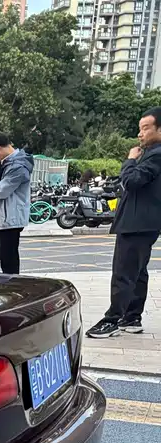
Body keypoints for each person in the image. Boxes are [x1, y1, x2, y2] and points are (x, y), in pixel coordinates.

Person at [87, 106, 161, 338]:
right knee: (138, 272)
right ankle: (132, 317)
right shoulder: (152, 153)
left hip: (137, 222)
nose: (140, 133)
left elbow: (132, 181)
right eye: (140, 128)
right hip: (144, 222)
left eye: (146, 128)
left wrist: (129, 161)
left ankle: (112, 320)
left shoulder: (156, 155)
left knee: (123, 272)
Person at [0, 132, 33, 274]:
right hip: (0, 219)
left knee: (8, 260)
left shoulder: (18, 166)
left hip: (9, 219)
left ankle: (11, 286)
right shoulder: (7, 163)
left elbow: (1, 191)